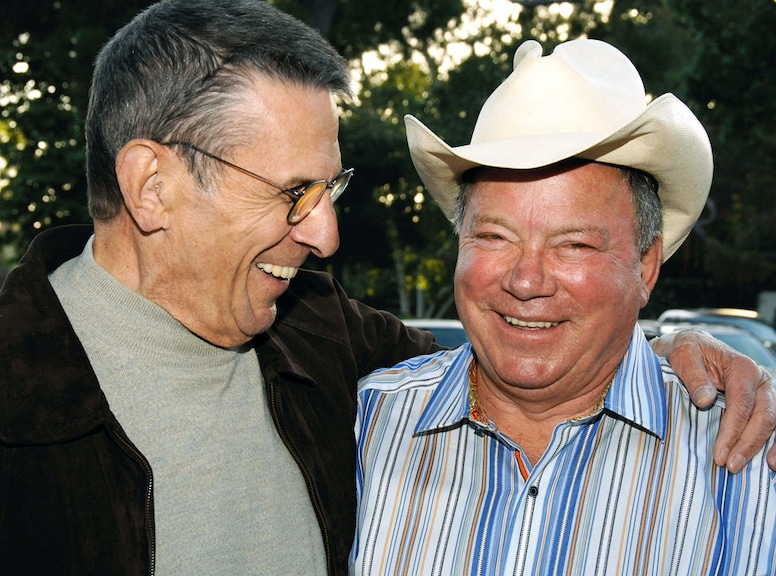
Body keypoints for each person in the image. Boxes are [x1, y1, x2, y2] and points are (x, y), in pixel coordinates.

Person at [0, 2, 771, 574]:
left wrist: (675, 347)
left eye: (330, 188)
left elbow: (536, 356)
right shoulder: (20, 403)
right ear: (152, 186)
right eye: (294, 191)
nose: (327, 236)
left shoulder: (323, 344)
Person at [351, 39, 776, 575]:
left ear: (646, 266)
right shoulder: (365, 428)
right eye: (494, 236)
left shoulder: (753, 457)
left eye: (574, 244)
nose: (526, 281)